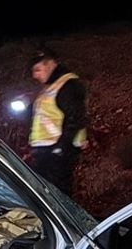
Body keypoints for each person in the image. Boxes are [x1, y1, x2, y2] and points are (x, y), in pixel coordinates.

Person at [26, 48, 88, 195]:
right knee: (48, 194)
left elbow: (76, 117)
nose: (35, 75)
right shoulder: (51, 86)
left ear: (50, 64)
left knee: (58, 195)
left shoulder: (68, 85)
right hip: (47, 151)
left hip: (57, 151)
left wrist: (61, 148)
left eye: (38, 70)